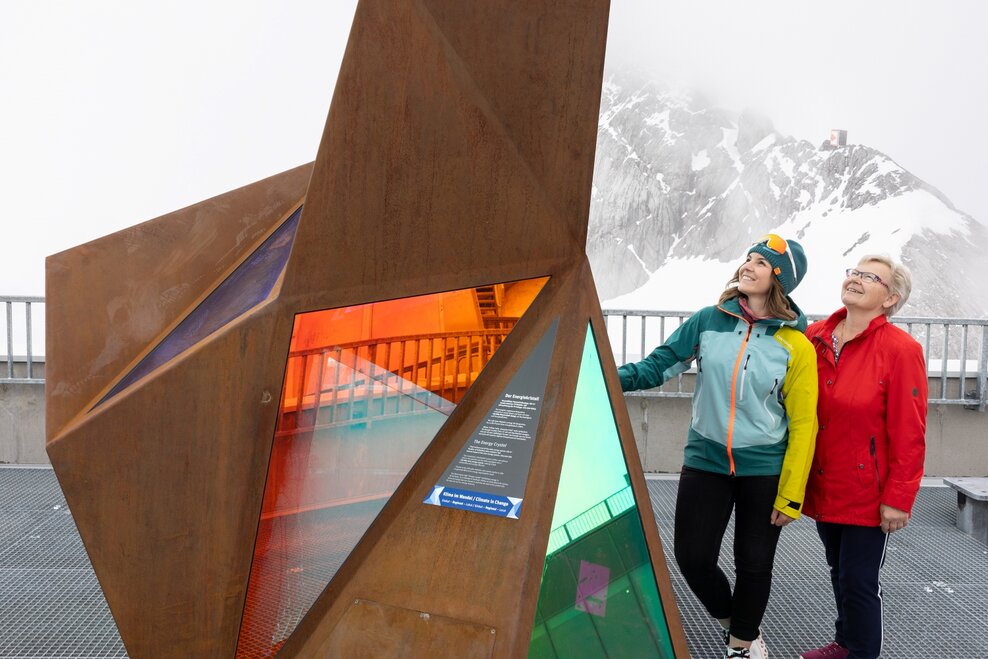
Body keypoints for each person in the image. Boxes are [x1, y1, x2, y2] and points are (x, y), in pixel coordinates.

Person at [618, 235, 818, 659]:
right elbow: (659, 364)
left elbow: (804, 424)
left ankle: (742, 646)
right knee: (692, 557)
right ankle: (735, 624)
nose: (748, 265)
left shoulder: (796, 346)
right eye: (747, 258)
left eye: (761, 263)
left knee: (754, 564)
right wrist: (609, 374)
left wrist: (792, 493)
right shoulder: (709, 320)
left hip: (764, 469)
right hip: (706, 460)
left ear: (779, 280)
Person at [799, 256, 927, 659]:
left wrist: (898, 498)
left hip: (869, 494)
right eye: (853, 272)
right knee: (840, 571)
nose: (854, 279)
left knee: (860, 580)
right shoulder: (813, 336)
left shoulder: (901, 350)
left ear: (889, 299)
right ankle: (845, 643)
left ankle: (861, 652)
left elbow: (910, 431)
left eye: (869, 277)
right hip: (824, 483)